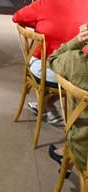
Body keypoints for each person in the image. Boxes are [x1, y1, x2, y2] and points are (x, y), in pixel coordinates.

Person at [13, 0, 88, 124]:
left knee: (51, 70)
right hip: (83, 72)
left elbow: (17, 17)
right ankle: (50, 104)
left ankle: (47, 103)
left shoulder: (48, 1)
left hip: (48, 68)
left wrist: (41, 25)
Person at [47, 25, 88, 173]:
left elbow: (52, 58)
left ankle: (65, 154)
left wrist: (78, 40)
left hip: (83, 153)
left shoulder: (77, 63)